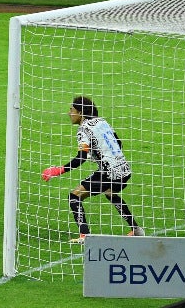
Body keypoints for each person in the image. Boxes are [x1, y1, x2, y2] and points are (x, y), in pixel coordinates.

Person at [41, 96, 144, 243]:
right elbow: (118, 143)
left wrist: (59, 170)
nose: (69, 113)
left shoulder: (83, 129)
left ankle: (84, 236)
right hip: (124, 169)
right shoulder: (102, 121)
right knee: (110, 193)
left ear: (81, 113)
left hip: (109, 172)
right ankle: (136, 230)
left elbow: (80, 158)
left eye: (72, 110)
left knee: (75, 196)